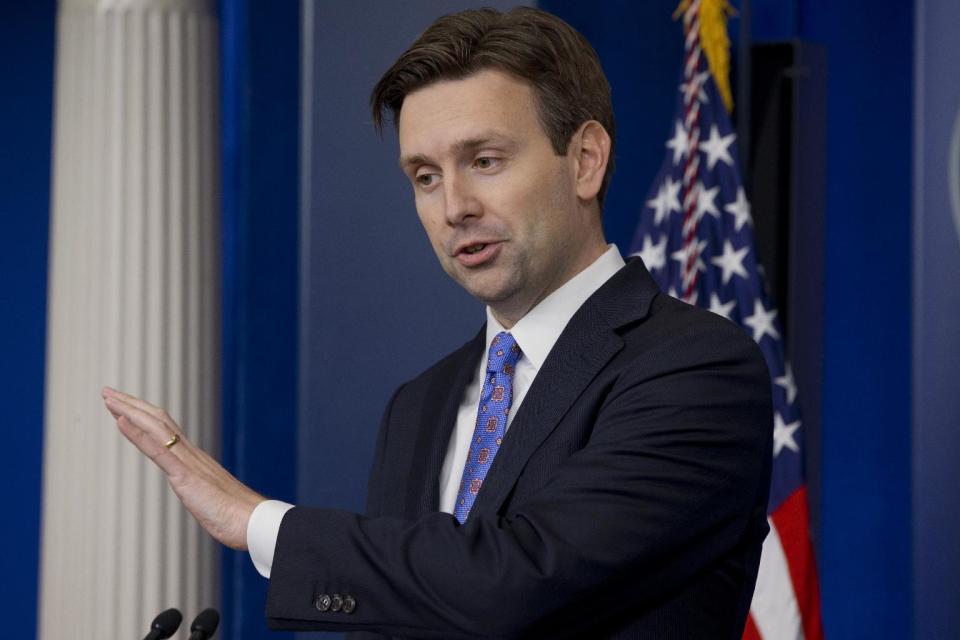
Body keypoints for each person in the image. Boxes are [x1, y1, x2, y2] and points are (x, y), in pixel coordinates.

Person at [102, 7, 772, 638]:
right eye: (425, 176)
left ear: (585, 160)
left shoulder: (695, 369)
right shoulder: (419, 406)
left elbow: (516, 582)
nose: (454, 206)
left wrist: (258, 523)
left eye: (484, 161)